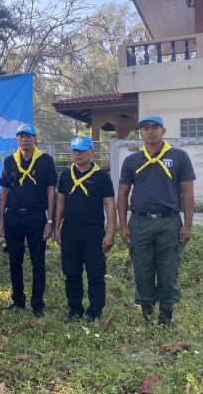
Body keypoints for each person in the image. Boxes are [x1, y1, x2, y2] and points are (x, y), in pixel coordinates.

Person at [118, 115, 195, 326]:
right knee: (142, 271)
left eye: (154, 127)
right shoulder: (132, 160)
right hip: (140, 223)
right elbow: (123, 195)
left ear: (163, 131)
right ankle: (147, 313)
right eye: (145, 128)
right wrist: (123, 226)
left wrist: (188, 225)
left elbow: (187, 192)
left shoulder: (179, 157)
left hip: (169, 223)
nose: (150, 131)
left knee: (168, 271)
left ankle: (166, 315)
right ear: (140, 133)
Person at [54, 136, 116, 323]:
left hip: (93, 234)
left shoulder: (102, 176)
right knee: (71, 273)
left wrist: (111, 233)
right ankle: (75, 308)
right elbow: (60, 202)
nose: (77, 154)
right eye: (74, 150)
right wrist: (56, 227)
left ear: (92, 152)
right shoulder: (66, 175)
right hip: (69, 232)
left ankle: (95, 311)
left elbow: (109, 205)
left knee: (95, 273)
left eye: (81, 150)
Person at [0, 123, 56, 318]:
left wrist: (50, 221)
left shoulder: (45, 160)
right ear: (17, 140)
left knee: (38, 262)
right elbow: (4, 190)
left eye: (28, 136)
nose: (24, 139)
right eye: (21, 136)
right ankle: (18, 301)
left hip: (36, 216)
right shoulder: (9, 161)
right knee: (15, 261)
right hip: (13, 216)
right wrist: (1, 220)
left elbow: (51, 191)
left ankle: (38, 304)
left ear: (34, 139)